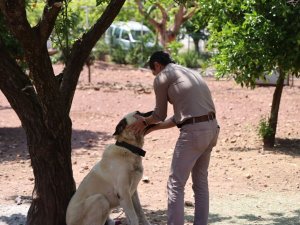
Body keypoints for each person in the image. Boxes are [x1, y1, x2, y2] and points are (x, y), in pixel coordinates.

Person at [128, 51, 220, 225]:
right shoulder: (189, 73)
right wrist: (152, 129)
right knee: (200, 183)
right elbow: (180, 117)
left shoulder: (162, 77)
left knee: (175, 184)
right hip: (211, 129)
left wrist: (144, 122)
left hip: (194, 133)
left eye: (153, 72)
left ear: (156, 65)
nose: (155, 76)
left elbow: (159, 114)